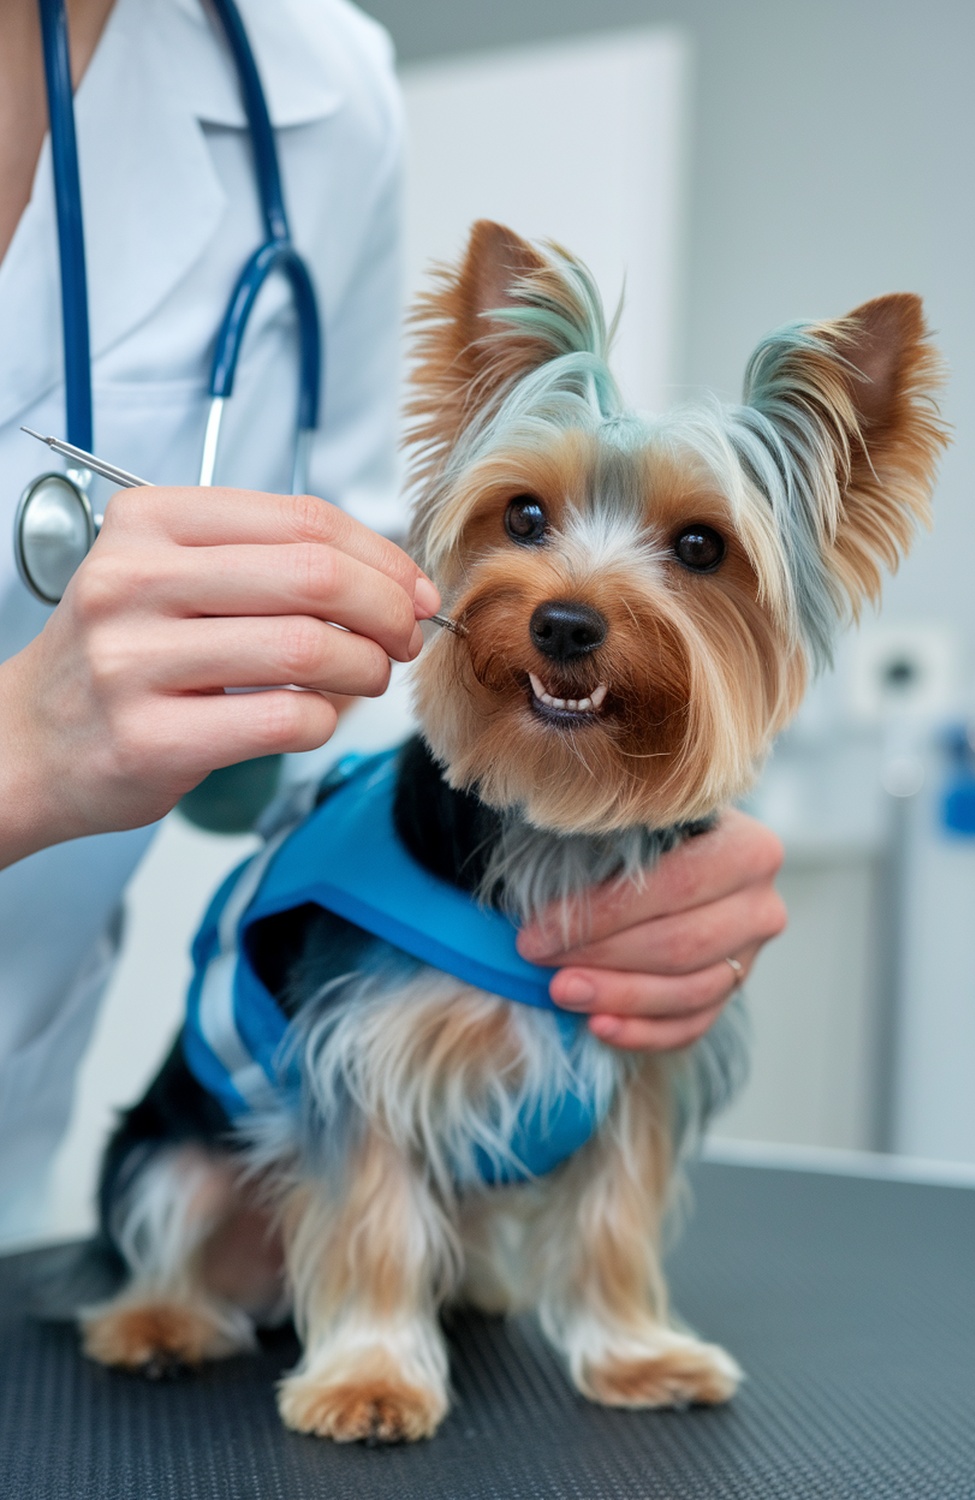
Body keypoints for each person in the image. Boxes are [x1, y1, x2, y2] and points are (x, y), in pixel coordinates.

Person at [0, 0, 786, 1237]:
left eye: (693, 548)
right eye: (528, 520)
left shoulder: (316, 81)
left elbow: (362, 628)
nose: (572, 589)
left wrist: (643, 797)